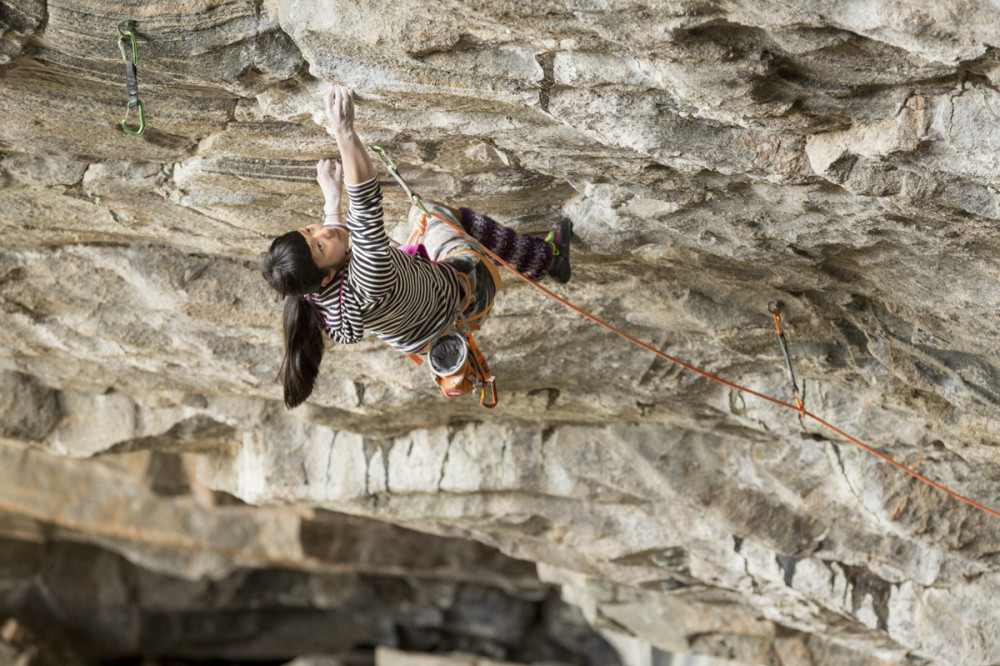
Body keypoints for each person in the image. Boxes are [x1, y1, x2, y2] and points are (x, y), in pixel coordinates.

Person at [262, 84, 571, 409]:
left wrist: (332, 202)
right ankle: (545, 261)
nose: (324, 232)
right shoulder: (368, 281)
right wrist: (344, 132)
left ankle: (535, 262)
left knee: (412, 229)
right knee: (434, 213)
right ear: (324, 276)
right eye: (319, 246)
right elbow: (366, 205)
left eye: (310, 230)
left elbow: (337, 243)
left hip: (422, 317)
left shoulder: (314, 294)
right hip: (465, 298)